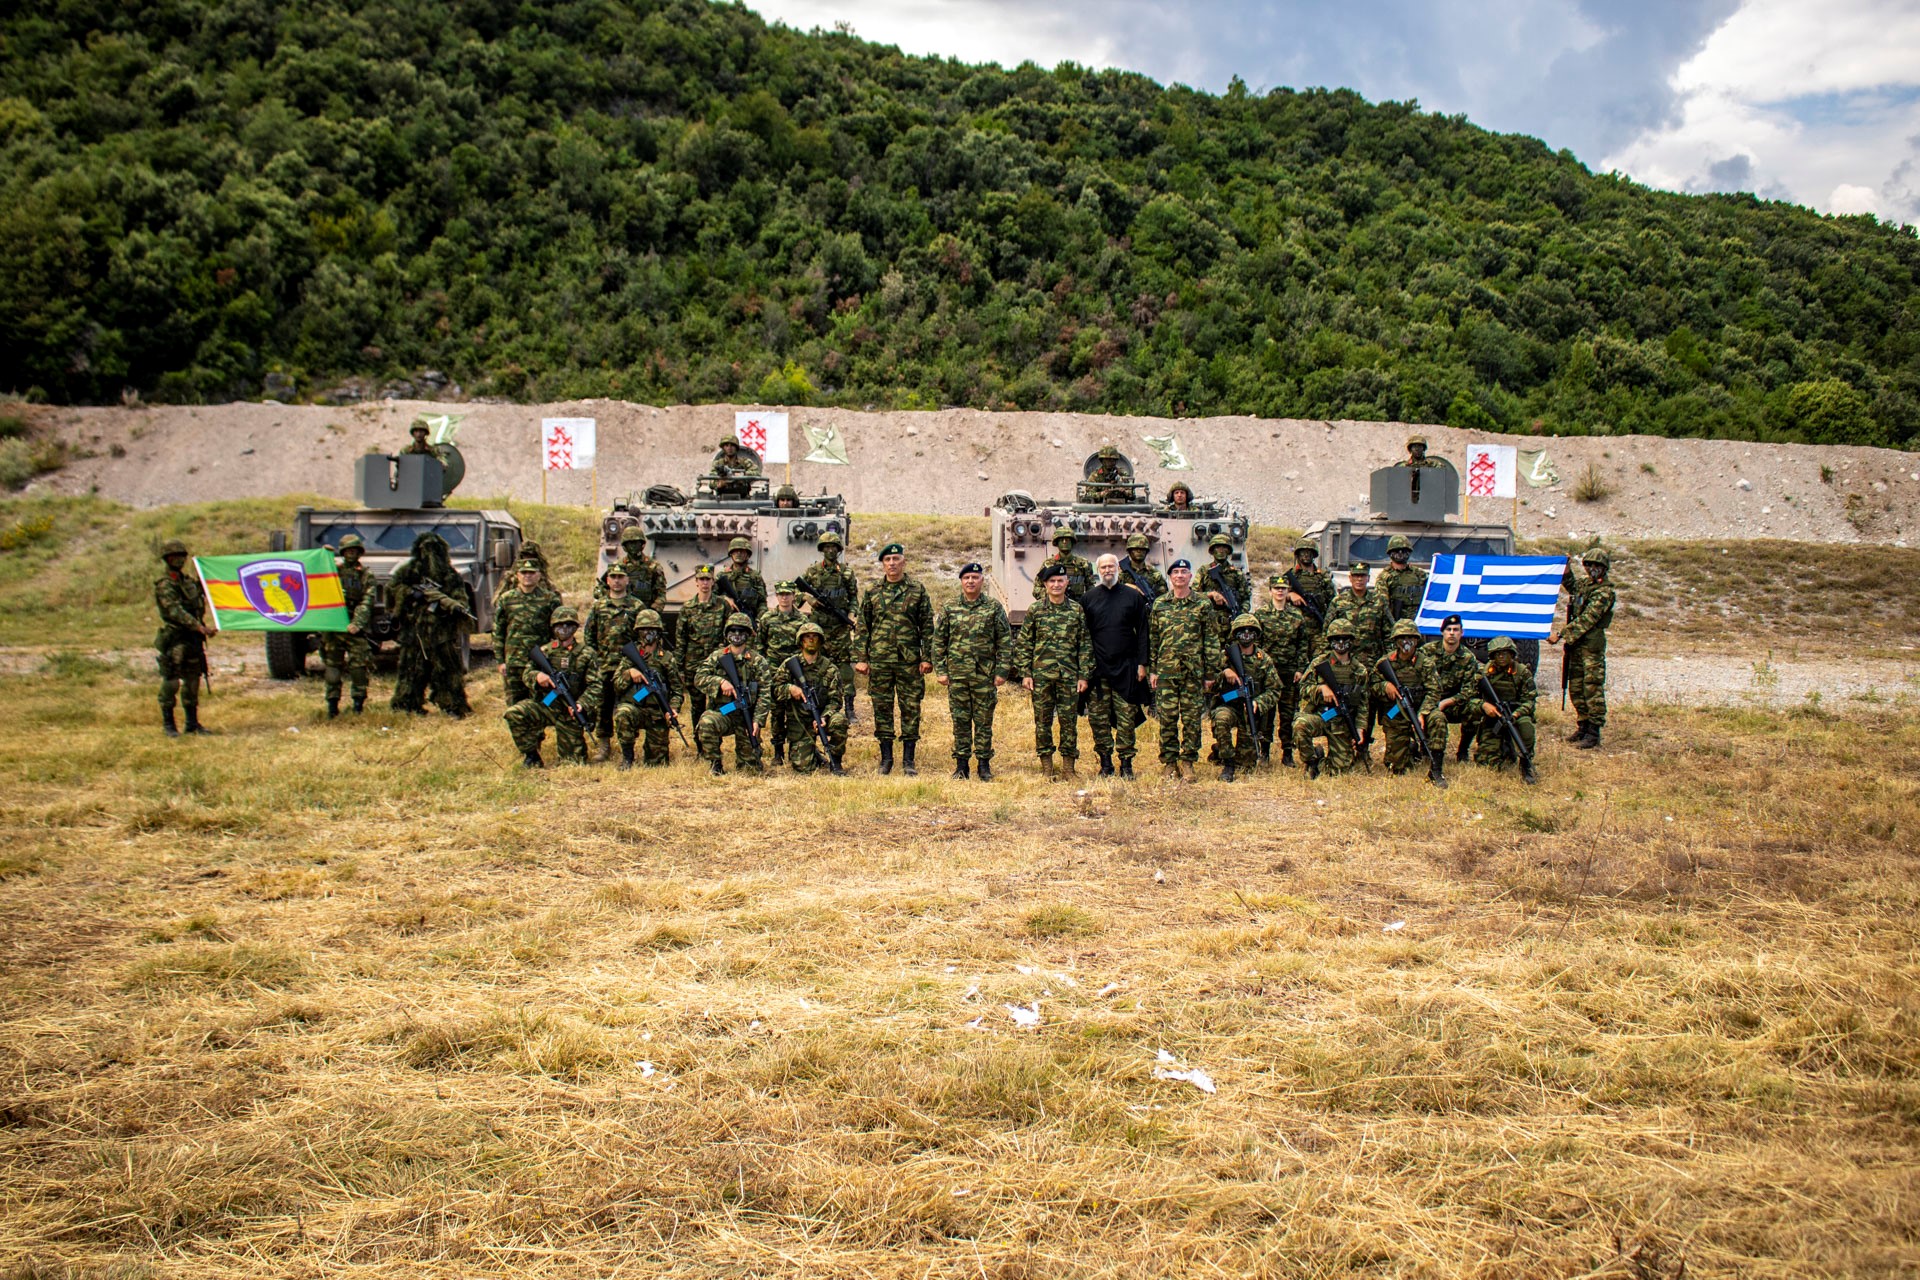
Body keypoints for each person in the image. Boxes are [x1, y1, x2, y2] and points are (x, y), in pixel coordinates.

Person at [856, 542, 934, 775]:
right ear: (882, 564)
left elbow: (927, 626)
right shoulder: (872, 591)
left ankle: (909, 760)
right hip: (880, 661)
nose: (892, 564)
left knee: (910, 707)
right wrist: (862, 658)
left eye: (896, 559)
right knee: (882, 707)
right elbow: (863, 627)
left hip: (909, 661)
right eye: (887, 560)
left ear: (904, 562)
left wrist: (927, 657)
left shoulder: (917, 590)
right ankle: (886, 758)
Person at [933, 562, 1011, 781]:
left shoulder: (993, 607)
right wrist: (941, 669)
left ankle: (984, 765)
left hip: (984, 676)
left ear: (981, 581)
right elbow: (939, 641)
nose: (970, 581)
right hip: (957, 676)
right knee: (960, 721)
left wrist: (1002, 671)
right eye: (966, 578)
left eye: (974, 578)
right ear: (961, 581)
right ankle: (961, 766)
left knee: (984, 721)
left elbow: (1004, 641)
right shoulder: (950, 607)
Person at [1014, 564, 1091, 779]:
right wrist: (1025, 673)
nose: (1056, 585)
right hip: (1041, 677)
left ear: (1067, 583)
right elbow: (1024, 644)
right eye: (1052, 581)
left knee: (1069, 722)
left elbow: (1084, 644)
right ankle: (1047, 767)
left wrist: (1083, 674)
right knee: (1043, 722)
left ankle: (1068, 768)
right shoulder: (1036, 610)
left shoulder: (1076, 610)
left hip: (1068, 676)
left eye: (1060, 581)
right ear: (1045, 585)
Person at [1148, 558, 1218, 781]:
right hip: (1167, 671)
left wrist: (1210, 674)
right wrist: (1153, 669)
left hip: (1193, 672)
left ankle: (1187, 762)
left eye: (1184, 572)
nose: (1179, 575)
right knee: (1167, 718)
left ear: (1190, 576)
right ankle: (1169, 762)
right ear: (1170, 577)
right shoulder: (1160, 604)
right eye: (1175, 572)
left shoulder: (1202, 604)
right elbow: (1153, 639)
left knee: (1191, 720)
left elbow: (1211, 639)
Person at [1082, 554, 1151, 778]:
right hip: (1097, 671)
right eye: (1103, 567)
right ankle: (1105, 763)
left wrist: (1143, 664)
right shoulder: (1088, 598)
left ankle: (1126, 764)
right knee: (1099, 720)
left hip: (1127, 669)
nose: (1107, 570)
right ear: (1098, 570)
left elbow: (1143, 632)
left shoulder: (1133, 597)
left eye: (1111, 566)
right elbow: (1082, 637)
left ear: (1118, 569)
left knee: (1126, 719)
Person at [389, 531, 472, 717]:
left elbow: (461, 599)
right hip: (415, 631)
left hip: (442, 632)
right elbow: (393, 590)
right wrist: (411, 594)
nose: (430, 555)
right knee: (411, 671)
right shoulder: (408, 572)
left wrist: (450, 607)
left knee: (448, 672)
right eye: (426, 550)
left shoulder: (450, 575)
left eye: (435, 550)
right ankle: (407, 704)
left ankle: (452, 705)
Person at [505, 605, 598, 768]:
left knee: (573, 763)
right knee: (514, 713)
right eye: (559, 625)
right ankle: (531, 755)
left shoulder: (587, 654)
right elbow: (527, 674)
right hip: (546, 705)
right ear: (553, 628)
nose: (564, 629)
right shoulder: (544, 652)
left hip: (570, 711)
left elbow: (596, 686)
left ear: (575, 627)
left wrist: (582, 704)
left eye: (568, 625)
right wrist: (537, 676)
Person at [1549, 546, 1615, 749]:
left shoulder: (1605, 592)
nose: (1593, 569)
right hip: (1576, 647)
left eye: (1597, 566)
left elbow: (1587, 619)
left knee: (1591, 687)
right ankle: (1583, 725)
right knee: (1576, 686)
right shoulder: (1586, 585)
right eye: (1589, 565)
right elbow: (1573, 586)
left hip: (1591, 649)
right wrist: (1566, 569)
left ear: (1604, 568)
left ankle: (1594, 732)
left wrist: (1561, 634)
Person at [1322, 561, 1389, 759]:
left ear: (1369, 578)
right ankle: (1339, 746)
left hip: (1370, 665)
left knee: (1365, 706)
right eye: (1356, 576)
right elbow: (1327, 632)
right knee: (1343, 704)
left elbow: (1388, 633)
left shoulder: (1379, 601)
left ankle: (1363, 748)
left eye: (1363, 576)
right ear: (1350, 578)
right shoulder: (1339, 602)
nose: (1359, 579)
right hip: (1343, 664)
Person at [695, 612, 773, 775]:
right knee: (707, 722)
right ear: (726, 633)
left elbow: (765, 694)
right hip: (725, 713)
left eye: (741, 631)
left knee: (750, 769)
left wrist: (757, 721)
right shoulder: (717, 657)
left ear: (748, 634)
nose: (737, 635)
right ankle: (715, 764)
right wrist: (720, 682)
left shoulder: (757, 661)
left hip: (747, 718)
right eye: (733, 631)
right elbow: (699, 678)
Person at [797, 529, 860, 723]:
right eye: (827, 547)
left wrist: (851, 615)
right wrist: (808, 598)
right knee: (816, 667)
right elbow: (794, 591)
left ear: (839, 550)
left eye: (834, 547)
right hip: (818, 629)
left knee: (845, 670)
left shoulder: (847, 572)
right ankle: (818, 704)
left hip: (840, 628)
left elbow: (853, 599)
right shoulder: (813, 571)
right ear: (822, 549)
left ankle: (849, 708)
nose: (831, 551)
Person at [583, 565, 644, 760]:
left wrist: (638, 663)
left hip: (628, 666)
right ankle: (604, 745)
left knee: (629, 703)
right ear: (607, 581)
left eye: (620, 577)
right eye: (613, 577)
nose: (617, 580)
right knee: (603, 705)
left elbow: (642, 637)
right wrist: (595, 660)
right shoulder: (598, 606)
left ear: (627, 580)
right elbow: (589, 635)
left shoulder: (636, 606)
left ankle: (628, 745)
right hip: (605, 665)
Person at [1212, 614, 1281, 782]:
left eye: (1251, 632)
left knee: (1246, 764)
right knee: (1221, 719)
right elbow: (1209, 682)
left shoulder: (1264, 659)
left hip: (1251, 711)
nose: (1247, 635)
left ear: (1256, 635)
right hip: (1229, 706)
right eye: (1242, 631)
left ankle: (1219, 750)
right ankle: (1228, 763)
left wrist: (1259, 702)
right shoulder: (1225, 656)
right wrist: (1224, 673)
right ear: (1235, 634)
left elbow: (1275, 689)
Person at [154, 539, 213, 737]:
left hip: (193, 639)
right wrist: (198, 627)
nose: (179, 560)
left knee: (193, 681)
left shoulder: (188, 583)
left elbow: (204, 597)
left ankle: (192, 723)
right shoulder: (165, 585)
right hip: (175, 638)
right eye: (174, 557)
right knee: (171, 681)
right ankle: (169, 724)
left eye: (181, 556)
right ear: (167, 559)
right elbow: (174, 611)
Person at [1294, 619, 1365, 779]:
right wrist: (1320, 688)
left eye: (1345, 639)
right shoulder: (1319, 663)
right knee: (1300, 726)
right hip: (1320, 716)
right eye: (1336, 639)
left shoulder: (1358, 670)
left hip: (1341, 722)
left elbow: (1363, 704)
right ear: (1330, 641)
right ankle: (1311, 761)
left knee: (1339, 770)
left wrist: (1360, 728)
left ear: (1351, 641)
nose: (1341, 643)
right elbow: (1303, 688)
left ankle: (1321, 761)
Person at [609, 608, 679, 769]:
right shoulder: (631, 656)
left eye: (652, 630)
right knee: (623, 713)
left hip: (658, 713)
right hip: (635, 708)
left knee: (657, 763)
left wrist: (673, 708)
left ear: (659, 632)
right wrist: (629, 673)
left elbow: (676, 689)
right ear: (638, 632)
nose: (648, 633)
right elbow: (616, 685)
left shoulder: (667, 658)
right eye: (644, 630)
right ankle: (627, 757)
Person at [1254, 576, 1312, 766]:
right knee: (1266, 714)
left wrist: (1300, 668)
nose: (1280, 591)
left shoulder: (1296, 616)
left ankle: (1288, 752)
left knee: (1287, 713)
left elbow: (1303, 645)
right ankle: (1264, 752)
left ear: (1288, 592)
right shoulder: (1261, 615)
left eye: (1283, 588)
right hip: (1269, 673)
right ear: (1270, 591)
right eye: (1276, 588)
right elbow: (1256, 645)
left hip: (1289, 671)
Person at [1415, 613, 1477, 787]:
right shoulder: (1427, 652)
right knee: (1437, 719)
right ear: (1442, 632)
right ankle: (1430, 755)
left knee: (1475, 708)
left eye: (1456, 630)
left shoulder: (1467, 657)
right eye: (1448, 629)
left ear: (1461, 633)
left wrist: (1448, 702)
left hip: (1454, 703)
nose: (1452, 633)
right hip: (1430, 701)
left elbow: (1469, 690)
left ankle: (1463, 750)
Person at [780, 623, 849, 775]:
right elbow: (774, 689)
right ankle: (814, 755)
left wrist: (824, 716)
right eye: (807, 637)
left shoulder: (830, 669)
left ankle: (836, 761)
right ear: (801, 641)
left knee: (840, 721)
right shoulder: (789, 665)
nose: (811, 640)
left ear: (820, 641)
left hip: (821, 719)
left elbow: (835, 701)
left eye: (815, 637)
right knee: (803, 769)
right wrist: (790, 689)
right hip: (799, 722)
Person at [1472, 636, 1539, 783]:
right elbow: (1470, 698)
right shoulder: (1485, 673)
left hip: (1516, 714)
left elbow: (1530, 701)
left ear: (1512, 654)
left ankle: (1525, 763)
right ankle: (1505, 748)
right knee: (1488, 762)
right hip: (1493, 716)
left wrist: (1516, 714)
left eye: (1505, 653)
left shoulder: (1522, 672)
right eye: (1498, 654)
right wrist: (1484, 705)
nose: (1501, 657)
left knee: (1526, 726)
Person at [496, 558, 559, 710]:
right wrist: (500, 660)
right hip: (514, 660)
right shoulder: (506, 599)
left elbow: (557, 632)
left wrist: (556, 656)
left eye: (531, 572)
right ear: (517, 575)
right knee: (514, 702)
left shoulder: (549, 599)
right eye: (524, 572)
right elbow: (498, 631)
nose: (527, 576)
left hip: (539, 660)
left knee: (544, 701)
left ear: (539, 575)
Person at [322, 533, 373, 717]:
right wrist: (324, 556)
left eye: (355, 550)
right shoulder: (333, 571)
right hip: (334, 626)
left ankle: (358, 705)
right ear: (343, 552)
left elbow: (367, 601)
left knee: (359, 667)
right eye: (348, 551)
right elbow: (315, 575)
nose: (352, 554)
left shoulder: (366, 575)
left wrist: (356, 623)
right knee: (332, 667)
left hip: (354, 628)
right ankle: (332, 705)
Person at [757, 582, 807, 765]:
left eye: (788, 594)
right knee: (776, 713)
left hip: (794, 672)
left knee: (795, 712)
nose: (784, 597)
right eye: (781, 594)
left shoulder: (802, 620)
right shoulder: (767, 618)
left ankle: (797, 748)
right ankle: (778, 752)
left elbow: (805, 646)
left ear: (794, 596)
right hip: (772, 672)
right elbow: (760, 645)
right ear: (776, 596)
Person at [1374, 620, 1431, 777]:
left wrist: (1423, 713)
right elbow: (1372, 685)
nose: (1407, 642)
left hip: (1419, 711)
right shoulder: (1385, 663)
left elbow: (1435, 690)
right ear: (1395, 641)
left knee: (1438, 719)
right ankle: (1408, 749)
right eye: (1402, 638)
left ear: (1417, 640)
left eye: (1411, 638)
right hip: (1396, 714)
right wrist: (1385, 686)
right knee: (1396, 766)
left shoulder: (1425, 662)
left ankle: (1432, 755)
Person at [677, 565, 730, 725]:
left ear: (713, 582)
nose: (705, 583)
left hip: (716, 663)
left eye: (708, 579)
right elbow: (681, 639)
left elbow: (728, 634)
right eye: (702, 579)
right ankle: (699, 741)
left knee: (716, 705)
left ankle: (712, 741)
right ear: (696, 582)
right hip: (693, 663)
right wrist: (679, 668)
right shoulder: (687, 608)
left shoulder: (722, 605)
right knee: (697, 705)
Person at [598, 526, 668, 608]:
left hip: (644, 614)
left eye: (635, 543)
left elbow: (661, 594)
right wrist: (612, 601)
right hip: (620, 612)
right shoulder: (617, 566)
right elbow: (600, 589)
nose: (632, 546)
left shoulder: (653, 566)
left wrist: (652, 612)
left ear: (642, 544)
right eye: (629, 543)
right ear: (624, 546)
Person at [1197, 533, 1252, 635]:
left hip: (1230, 625)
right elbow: (1193, 595)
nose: (1221, 550)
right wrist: (1211, 594)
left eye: (1224, 548)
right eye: (1217, 547)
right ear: (1212, 550)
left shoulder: (1236, 574)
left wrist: (1241, 612)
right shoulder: (1204, 571)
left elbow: (1246, 598)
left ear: (1228, 551)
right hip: (1208, 625)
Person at [1283, 539, 1334, 641]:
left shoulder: (1323, 576)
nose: (1306, 555)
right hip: (1296, 627)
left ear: (1313, 555)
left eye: (1309, 552)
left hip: (1318, 627)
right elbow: (1276, 595)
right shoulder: (1290, 576)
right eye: (1303, 552)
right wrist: (1290, 595)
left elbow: (1332, 601)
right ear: (1298, 555)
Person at [1375, 535, 1428, 625]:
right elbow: (1383, 605)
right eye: (1396, 550)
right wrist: (1394, 625)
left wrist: (1438, 564)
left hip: (1419, 623)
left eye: (1404, 550)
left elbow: (1436, 588)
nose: (1400, 553)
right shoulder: (1385, 576)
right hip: (1397, 624)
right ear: (1390, 553)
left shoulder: (1419, 574)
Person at [717, 536, 767, 620]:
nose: (738, 553)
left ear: (747, 555)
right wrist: (725, 599)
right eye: (735, 551)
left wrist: (759, 620)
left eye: (742, 551)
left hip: (748, 620)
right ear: (731, 554)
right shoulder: (722, 575)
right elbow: (712, 596)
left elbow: (762, 602)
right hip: (725, 620)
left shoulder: (755, 576)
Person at [1041, 527, 1095, 601]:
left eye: (1067, 539)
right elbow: (1037, 588)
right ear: (1057, 542)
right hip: (1053, 608)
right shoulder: (1048, 564)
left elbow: (1091, 587)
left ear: (1072, 542)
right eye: (1061, 540)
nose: (1064, 542)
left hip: (1077, 608)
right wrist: (1053, 594)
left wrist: (1085, 603)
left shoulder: (1083, 564)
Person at [1117, 533, 1167, 602]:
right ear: (1129, 551)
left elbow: (1164, 597)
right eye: (1135, 549)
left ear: (1146, 551)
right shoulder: (1119, 573)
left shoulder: (1155, 574)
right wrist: (1125, 587)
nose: (1139, 551)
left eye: (1142, 549)